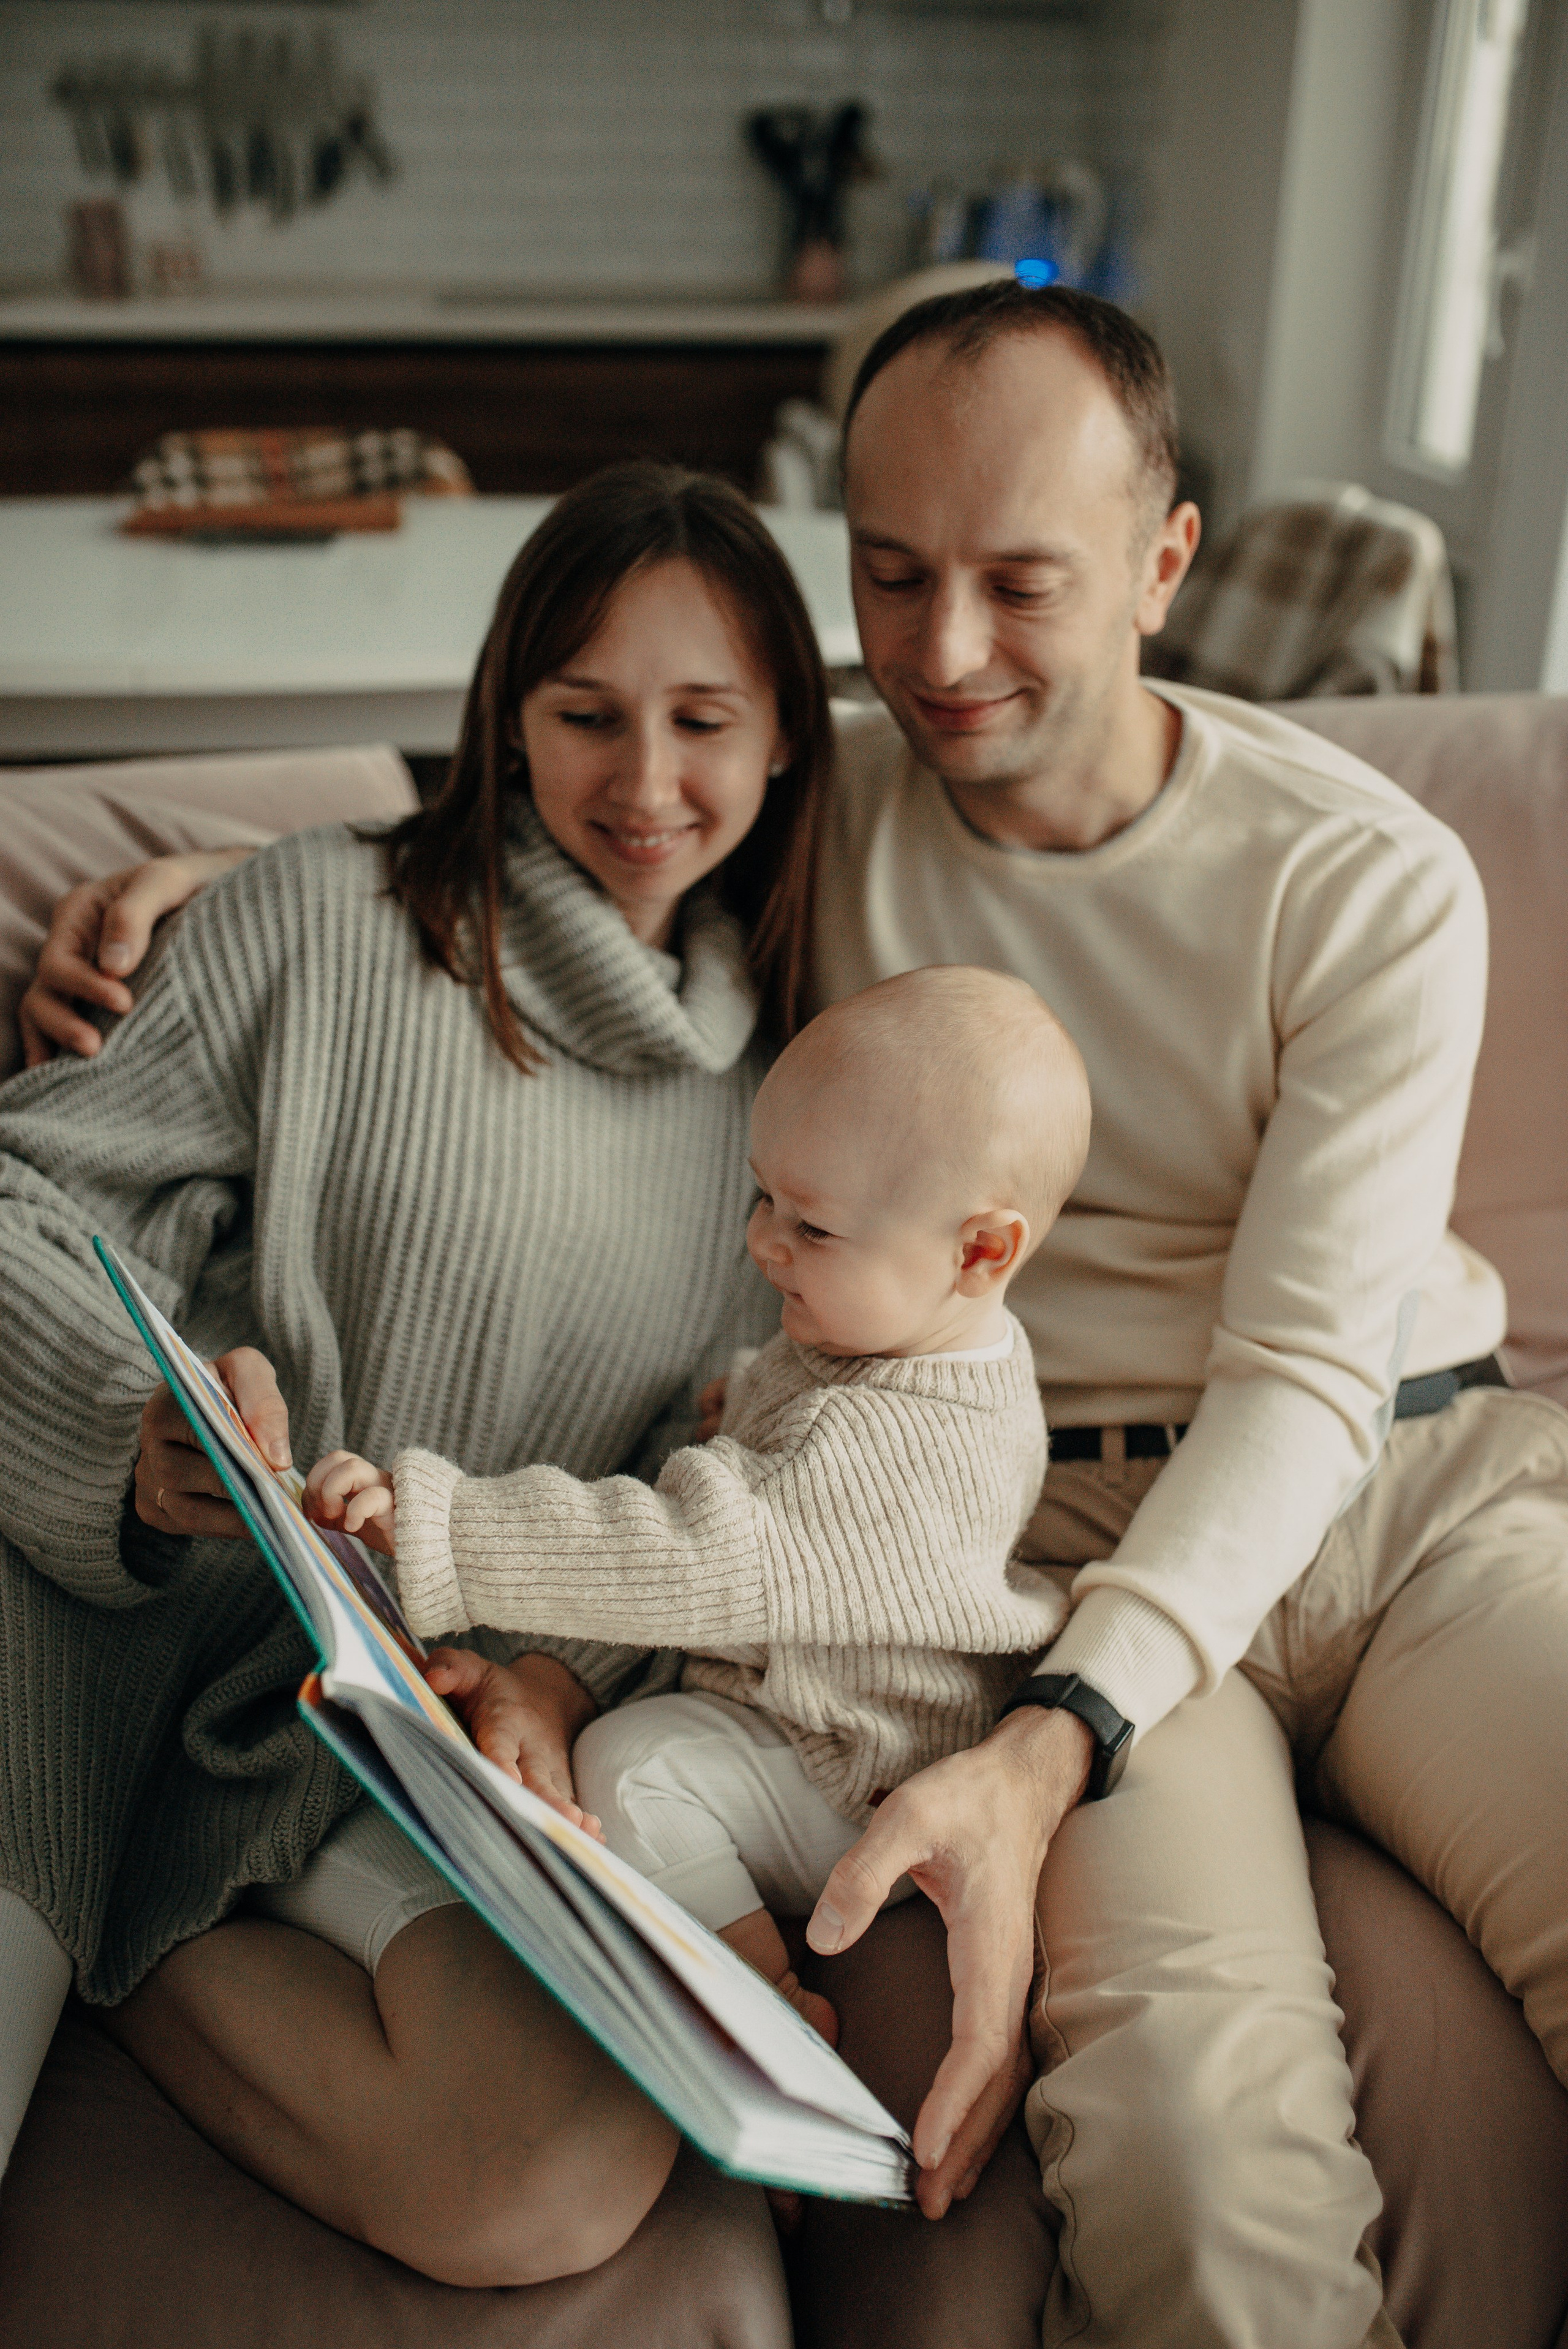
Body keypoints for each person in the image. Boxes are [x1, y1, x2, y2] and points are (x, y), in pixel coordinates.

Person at [43, 281, 1568, 2348]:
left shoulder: (1365, 877)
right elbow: (580, 791)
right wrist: (227, 871)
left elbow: (1299, 1379)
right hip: (1062, 1556)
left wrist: (1063, 1733)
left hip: (1403, 1479)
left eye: (1021, 582)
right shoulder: (831, 803)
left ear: (1164, 561)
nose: (942, 654)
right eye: (891, 576)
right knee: (1205, 2160)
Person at [0, 459, 832, 2284]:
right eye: (584, 714)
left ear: (787, 742)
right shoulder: (315, 917)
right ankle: (82, 1865)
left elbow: (697, 1474)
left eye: (706, 720)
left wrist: (548, 1667)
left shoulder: (788, 1114)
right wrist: (129, 1434)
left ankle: (131, 1923)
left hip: (384, 1735)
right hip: (76, 1624)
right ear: (503, 713)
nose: (644, 782)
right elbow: (20, 1191)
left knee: (549, 2166)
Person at [300, 965, 1091, 2039]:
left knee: (632, 1769)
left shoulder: (879, 1449)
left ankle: (763, 2008)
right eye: (762, 1196)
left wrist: (441, 1522)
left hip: (856, 1762)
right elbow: (808, 1440)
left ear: (983, 1250)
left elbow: (687, 1551)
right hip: (825, 1689)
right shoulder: (933, 1335)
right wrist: (747, 1396)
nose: (765, 1242)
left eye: (812, 1229)